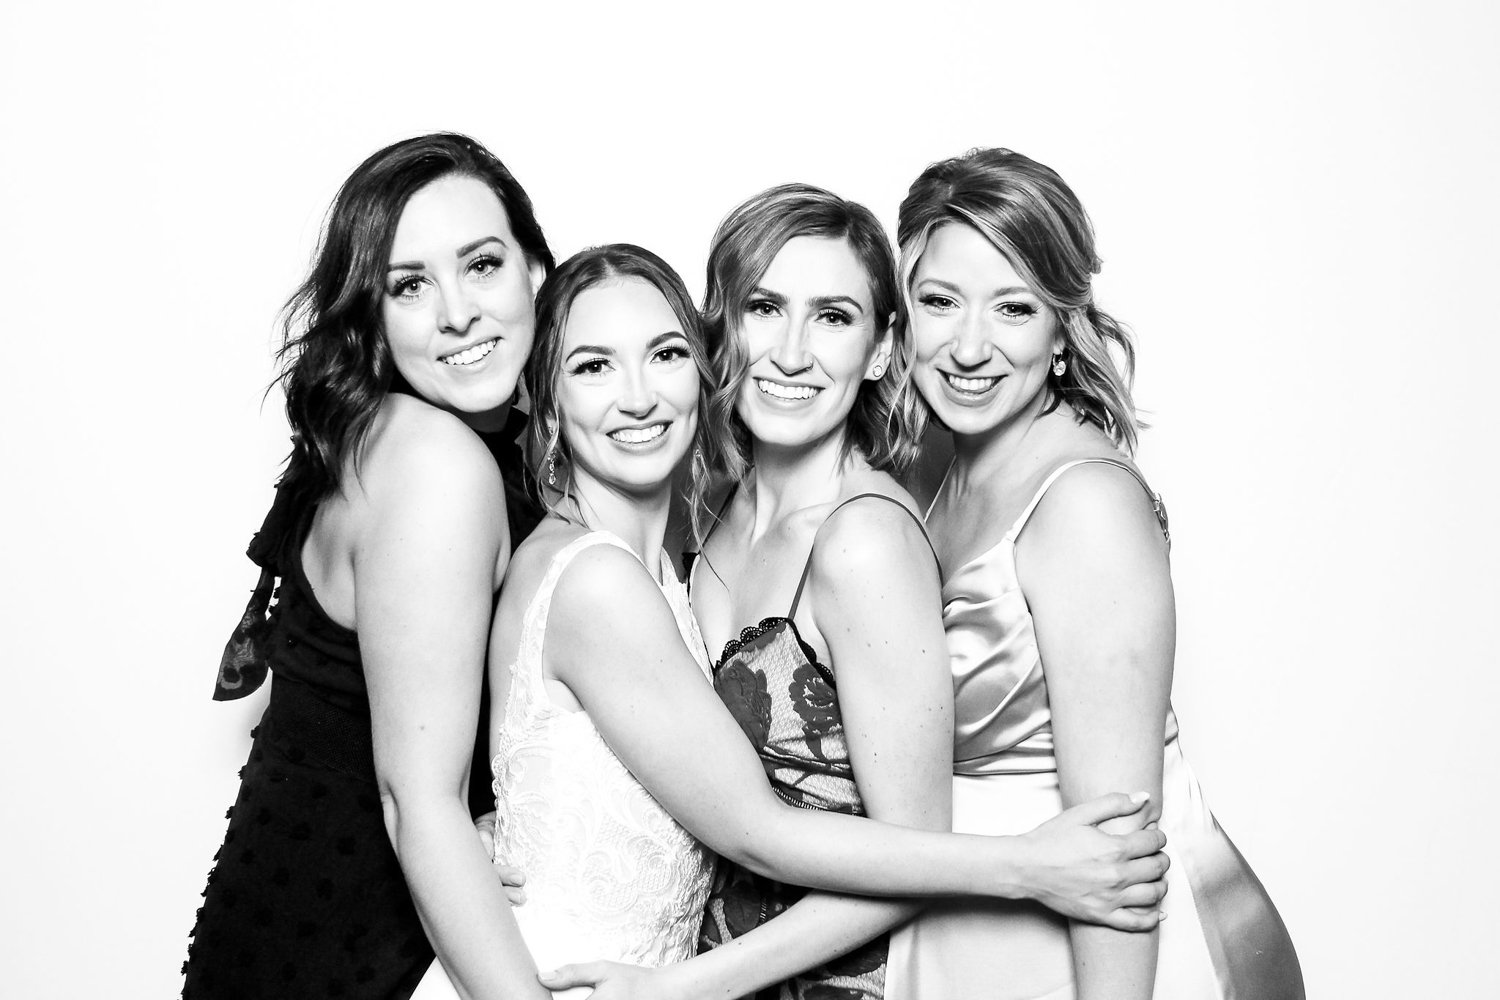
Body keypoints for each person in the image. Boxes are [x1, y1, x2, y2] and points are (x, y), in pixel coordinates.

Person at [413, 245, 1173, 1000]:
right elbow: (756, 831)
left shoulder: (690, 547)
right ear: (546, 401)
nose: (638, 397)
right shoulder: (609, 574)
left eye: (664, 354)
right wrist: (1029, 865)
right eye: (593, 367)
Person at [883, 147, 1305, 999]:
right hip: (988, 928)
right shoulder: (935, 474)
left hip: (1122, 952)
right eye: (939, 302)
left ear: (1061, 328)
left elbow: (1120, 847)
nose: (969, 346)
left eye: (1013, 308)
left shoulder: (1083, 507)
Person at [183, 132, 554, 999]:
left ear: (537, 272)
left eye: (483, 265)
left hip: (285, 926)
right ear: (374, 318)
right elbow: (413, 803)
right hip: (337, 956)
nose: (456, 312)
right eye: (410, 285)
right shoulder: (436, 464)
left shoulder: (405, 437)